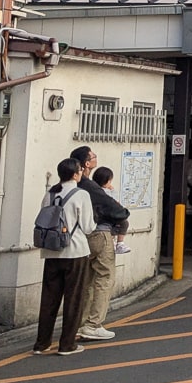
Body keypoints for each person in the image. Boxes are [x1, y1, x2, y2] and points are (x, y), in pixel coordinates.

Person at [32, 158, 96, 356]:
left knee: (49, 299)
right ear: (76, 174)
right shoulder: (81, 194)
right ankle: (67, 344)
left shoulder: (49, 194)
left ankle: (42, 343)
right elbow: (87, 226)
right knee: (73, 299)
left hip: (51, 252)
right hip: (75, 252)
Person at [70, 146, 129, 341]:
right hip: (100, 233)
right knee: (105, 277)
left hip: (80, 237)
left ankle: (79, 323)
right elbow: (110, 206)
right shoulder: (90, 186)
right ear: (86, 164)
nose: (96, 158)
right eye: (93, 157)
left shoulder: (68, 187)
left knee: (85, 280)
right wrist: (123, 215)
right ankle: (93, 324)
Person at [93, 166, 130, 254]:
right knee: (124, 223)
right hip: (107, 218)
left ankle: (115, 243)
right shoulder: (106, 192)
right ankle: (120, 243)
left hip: (99, 221)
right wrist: (113, 191)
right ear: (106, 181)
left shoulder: (93, 189)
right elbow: (115, 203)